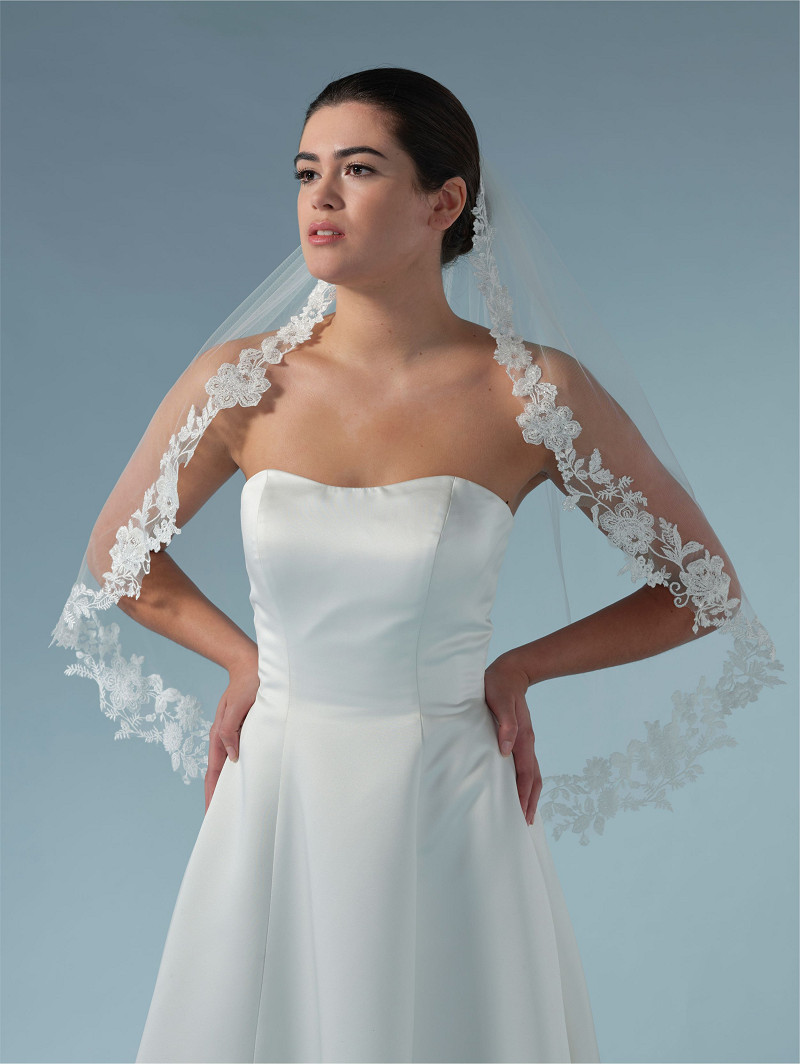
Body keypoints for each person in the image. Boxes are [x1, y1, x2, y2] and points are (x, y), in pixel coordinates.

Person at [50, 66, 781, 1063]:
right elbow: (119, 556)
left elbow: (700, 587)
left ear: (444, 202)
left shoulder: (527, 393)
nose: (320, 195)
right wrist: (242, 658)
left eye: (357, 169)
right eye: (306, 171)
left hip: (449, 793)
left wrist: (521, 667)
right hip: (281, 791)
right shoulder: (239, 384)